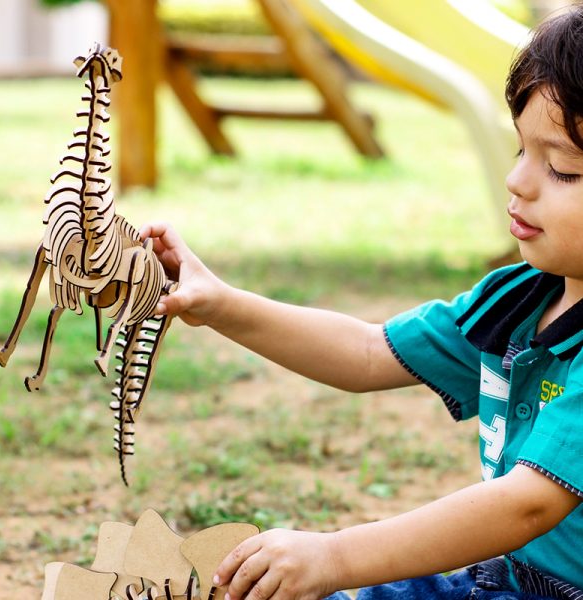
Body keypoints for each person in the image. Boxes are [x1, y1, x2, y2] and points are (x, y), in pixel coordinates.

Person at [140, 5, 583, 599]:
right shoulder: (516, 302)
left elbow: (526, 506)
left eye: (560, 169)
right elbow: (369, 352)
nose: (518, 181)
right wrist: (218, 302)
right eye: (519, 152)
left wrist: (334, 556)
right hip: (501, 580)